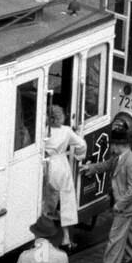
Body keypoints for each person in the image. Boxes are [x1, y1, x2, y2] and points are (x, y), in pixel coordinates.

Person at [84, 124, 132, 263]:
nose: (111, 148)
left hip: (124, 206)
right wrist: (91, 168)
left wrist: (119, 204)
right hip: (129, 205)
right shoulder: (120, 157)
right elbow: (107, 165)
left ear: (118, 145)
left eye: (112, 145)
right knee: (130, 229)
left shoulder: (130, 162)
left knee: (115, 236)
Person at [43, 106, 87, 248]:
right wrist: (78, 156)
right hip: (62, 164)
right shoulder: (67, 131)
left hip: (47, 165)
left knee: (47, 201)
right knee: (66, 201)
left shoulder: (43, 130)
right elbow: (81, 144)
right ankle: (66, 238)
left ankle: (43, 236)